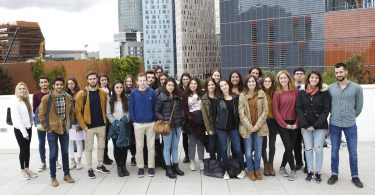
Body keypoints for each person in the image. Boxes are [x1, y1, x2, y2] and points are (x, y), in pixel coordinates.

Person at [327, 63, 364, 188]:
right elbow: (328, 106)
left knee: (353, 152)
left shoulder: (357, 88)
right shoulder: (330, 88)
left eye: (341, 72)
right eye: (336, 72)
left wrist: (350, 115)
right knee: (334, 151)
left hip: (350, 124)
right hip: (334, 124)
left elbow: (358, 107)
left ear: (346, 72)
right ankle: (334, 174)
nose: (338, 75)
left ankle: (355, 176)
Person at [39, 76, 75, 187]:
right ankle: (53, 177)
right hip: (52, 130)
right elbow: (41, 114)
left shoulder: (68, 97)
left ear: (63, 85)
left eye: (61, 84)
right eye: (57, 84)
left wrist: (70, 123)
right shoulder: (47, 98)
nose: (59, 86)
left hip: (64, 129)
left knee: (65, 153)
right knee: (53, 154)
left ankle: (66, 174)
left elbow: (72, 112)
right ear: (53, 86)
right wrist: (47, 128)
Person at [296, 71, 330, 183]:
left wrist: (315, 125)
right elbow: (299, 108)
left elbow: (326, 111)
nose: (314, 79)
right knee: (308, 149)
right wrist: (305, 125)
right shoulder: (302, 92)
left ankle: (318, 172)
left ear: (319, 79)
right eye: (312, 77)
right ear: (308, 79)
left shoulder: (323, 92)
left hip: (319, 127)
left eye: (316, 77)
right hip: (306, 127)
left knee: (318, 149)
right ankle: (310, 171)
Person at [75, 71, 110, 179]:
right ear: (87, 80)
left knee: (101, 146)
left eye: (94, 78)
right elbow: (77, 111)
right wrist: (83, 126)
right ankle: (90, 168)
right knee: (89, 148)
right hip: (88, 126)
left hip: (101, 125)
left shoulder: (102, 93)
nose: (92, 80)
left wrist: (105, 122)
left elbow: (106, 108)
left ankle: (100, 165)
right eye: (90, 79)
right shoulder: (82, 93)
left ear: (97, 79)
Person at [213, 79, 245, 180]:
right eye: (221, 86)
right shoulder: (217, 99)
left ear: (228, 85)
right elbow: (214, 115)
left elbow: (240, 112)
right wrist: (214, 128)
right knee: (223, 150)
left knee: (238, 149)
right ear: (220, 88)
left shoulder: (236, 97)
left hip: (234, 128)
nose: (224, 87)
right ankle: (226, 170)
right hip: (221, 128)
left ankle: (242, 169)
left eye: (225, 84)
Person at [239, 75, 269, 181]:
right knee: (247, 151)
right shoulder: (242, 95)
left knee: (258, 150)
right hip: (247, 128)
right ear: (246, 83)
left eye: (253, 81)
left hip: (259, 127)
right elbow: (241, 113)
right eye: (249, 82)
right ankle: (250, 170)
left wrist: (257, 126)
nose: (251, 83)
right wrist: (250, 126)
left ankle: (257, 169)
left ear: (255, 82)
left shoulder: (261, 93)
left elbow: (266, 111)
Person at [154, 78, 185, 179]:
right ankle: (168, 168)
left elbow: (181, 109)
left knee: (175, 147)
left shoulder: (177, 96)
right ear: (165, 86)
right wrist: (164, 119)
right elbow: (156, 112)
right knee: (167, 147)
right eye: (169, 85)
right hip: (166, 126)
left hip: (177, 125)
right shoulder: (160, 97)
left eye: (172, 85)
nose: (171, 87)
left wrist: (182, 119)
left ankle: (175, 166)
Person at [272, 70, 299, 181]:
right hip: (282, 123)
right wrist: (285, 125)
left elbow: (299, 109)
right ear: (278, 80)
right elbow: (275, 111)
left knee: (290, 147)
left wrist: (297, 123)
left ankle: (282, 166)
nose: (283, 80)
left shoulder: (296, 91)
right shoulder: (277, 93)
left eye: (284, 78)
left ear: (288, 78)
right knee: (288, 147)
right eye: (280, 78)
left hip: (294, 123)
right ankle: (292, 169)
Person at [129, 73, 157, 178]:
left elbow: (155, 106)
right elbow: (131, 108)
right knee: (139, 147)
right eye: (140, 80)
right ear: (137, 82)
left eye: (144, 80)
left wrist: (154, 119)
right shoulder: (134, 93)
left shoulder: (152, 92)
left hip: (150, 123)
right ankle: (140, 167)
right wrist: (134, 121)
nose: (142, 82)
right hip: (138, 124)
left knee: (151, 146)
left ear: (146, 81)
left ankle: (150, 167)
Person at [33, 76, 61, 171]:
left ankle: (56, 160)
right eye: (41, 82)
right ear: (39, 84)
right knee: (42, 143)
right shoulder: (36, 95)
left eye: (45, 82)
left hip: (53, 123)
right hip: (41, 123)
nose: (44, 84)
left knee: (53, 142)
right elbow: (35, 110)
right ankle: (43, 162)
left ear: (49, 83)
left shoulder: (53, 94)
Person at [12, 82, 38, 180]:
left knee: (27, 149)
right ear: (17, 90)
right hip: (20, 130)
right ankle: (22, 170)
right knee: (23, 150)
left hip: (28, 127)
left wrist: (34, 122)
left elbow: (30, 114)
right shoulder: (15, 102)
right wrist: (24, 133)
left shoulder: (26, 100)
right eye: (20, 89)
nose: (22, 90)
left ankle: (27, 169)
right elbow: (17, 119)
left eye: (23, 88)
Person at [106, 81, 131, 177]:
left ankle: (124, 166)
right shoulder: (110, 100)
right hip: (114, 127)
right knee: (117, 147)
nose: (119, 89)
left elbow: (129, 112)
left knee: (124, 147)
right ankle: (119, 167)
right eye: (117, 87)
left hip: (125, 126)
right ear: (114, 89)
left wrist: (124, 121)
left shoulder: (126, 99)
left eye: (121, 87)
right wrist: (115, 122)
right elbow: (108, 113)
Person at [181, 78, 206, 171]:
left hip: (200, 121)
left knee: (200, 142)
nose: (193, 85)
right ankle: (191, 161)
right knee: (191, 143)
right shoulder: (184, 95)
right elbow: (185, 109)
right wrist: (190, 118)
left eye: (195, 83)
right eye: (191, 83)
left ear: (198, 85)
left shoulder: (202, 94)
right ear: (189, 84)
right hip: (190, 121)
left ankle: (201, 161)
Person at [66, 78, 85, 170]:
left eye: (72, 83)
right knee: (69, 142)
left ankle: (78, 161)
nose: (70, 85)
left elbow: (83, 109)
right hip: (68, 122)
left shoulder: (81, 93)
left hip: (77, 121)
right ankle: (72, 161)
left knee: (78, 141)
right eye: (68, 84)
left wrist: (80, 123)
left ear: (75, 83)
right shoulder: (65, 94)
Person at [261, 75, 278, 176]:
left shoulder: (275, 93)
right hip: (263, 121)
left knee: (272, 145)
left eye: (269, 81)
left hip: (273, 121)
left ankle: (271, 164)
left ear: (272, 83)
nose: (267, 83)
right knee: (263, 144)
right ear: (263, 83)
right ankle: (265, 164)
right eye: (265, 81)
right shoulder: (260, 92)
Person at [201, 78, 220, 160]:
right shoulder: (204, 99)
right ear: (206, 86)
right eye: (209, 85)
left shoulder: (219, 96)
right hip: (211, 125)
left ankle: (219, 161)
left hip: (220, 125)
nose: (211, 86)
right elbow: (205, 116)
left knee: (220, 144)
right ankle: (213, 161)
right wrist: (208, 129)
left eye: (212, 84)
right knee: (212, 144)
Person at [293, 67, 306, 172]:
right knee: (296, 143)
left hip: (306, 120)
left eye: (301, 73)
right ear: (294, 76)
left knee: (307, 143)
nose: (299, 75)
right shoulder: (290, 88)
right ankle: (298, 162)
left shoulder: (308, 87)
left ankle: (308, 164)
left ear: (304, 76)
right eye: (297, 73)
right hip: (294, 119)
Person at [99, 73, 114, 165]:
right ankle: (103, 157)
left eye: (105, 79)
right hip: (103, 118)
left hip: (110, 118)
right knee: (103, 140)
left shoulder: (110, 90)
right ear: (99, 81)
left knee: (107, 139)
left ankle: (106, 156)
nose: (104, 81)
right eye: (102, 80)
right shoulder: (100, 91)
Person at [124, 75, 137, 166]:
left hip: (134, 118)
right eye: (127, 81)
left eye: (130, 81)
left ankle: (133, 156)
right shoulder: (122, 92)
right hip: (125, 118)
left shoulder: (136, 91)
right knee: (126, 138)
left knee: (134, 139)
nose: (129, 83)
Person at [179, 73, 192, 163]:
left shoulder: (192, 88)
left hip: (191, 116)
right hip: (182, 117)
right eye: (183, 79)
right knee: (184, 138)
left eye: (187, 79)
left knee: (192, 137)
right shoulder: (178, 90)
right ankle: (187, 155)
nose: (185, 81)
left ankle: (191, 155)